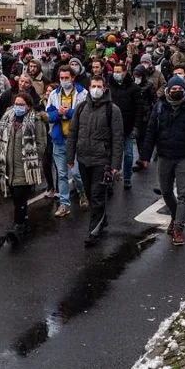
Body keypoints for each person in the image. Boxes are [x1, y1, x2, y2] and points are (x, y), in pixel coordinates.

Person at [139, 76, 185, 246]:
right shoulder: (159, 107)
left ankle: (178, 229)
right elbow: (151, 132)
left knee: (183, 195)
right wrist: (145, 156)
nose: (176, 92)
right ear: (168, 91)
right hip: (165, 156)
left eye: (180, 89)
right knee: (165, 191)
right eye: (173, 89)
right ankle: (175, 215)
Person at [65, 76, 124, 246]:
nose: (96, 89)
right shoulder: (81, 107)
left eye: (99, 86)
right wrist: (70, 157)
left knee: (98, 195)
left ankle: (94, 231)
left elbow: (117, 139)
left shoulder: (112, 110)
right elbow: (73, 132)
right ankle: (102, 219)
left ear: (104, 88)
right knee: (91, 194)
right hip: (83, 159)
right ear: (89, 88)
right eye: (93, 86)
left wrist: (115, 165)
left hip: (102, 161)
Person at [0, 91, 48, 241]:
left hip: (25, 165)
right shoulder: (7, 118)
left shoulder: (36, 120)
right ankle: (23, 220)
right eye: (16, 104)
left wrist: (34, 158)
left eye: (21, 104)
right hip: (8, 165)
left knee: (20, 196)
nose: (18, 107)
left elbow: (42, 143)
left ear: (28, 106)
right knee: (15, 197)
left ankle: (18, 225)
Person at [46, 65, 88, 217]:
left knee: (76, 173)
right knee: (62, 174)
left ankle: (82, 192)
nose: (64, 81)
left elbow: (85, 114)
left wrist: (69, 112)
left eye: (66, 78)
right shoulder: (54, 95)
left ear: (73, 78)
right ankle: (64, 204)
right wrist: (57, 112)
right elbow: (48, 115)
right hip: (59, 140)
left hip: (76, 140)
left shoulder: (83, 93)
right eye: (61, 78)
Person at [108, 62, 141, 190]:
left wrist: (136, 127)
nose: (116, 74)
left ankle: (127, 178)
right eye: (114, 71)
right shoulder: (110, 87)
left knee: (128, 155)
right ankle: (110, 178)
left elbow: (139, 108)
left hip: (127, 127)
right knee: (111, 155)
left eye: (119, 71)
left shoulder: (133, 88)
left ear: (125, 72)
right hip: (112, 128)